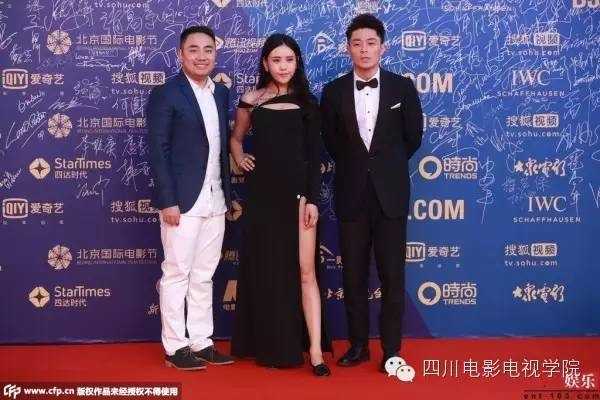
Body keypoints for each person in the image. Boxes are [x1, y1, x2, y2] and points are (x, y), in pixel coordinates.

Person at [320, 14, 423, 372]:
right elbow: (331, 141)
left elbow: (413, 138)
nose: (364, 49)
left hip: (390, 196)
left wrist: (384, 167)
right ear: (348, 48)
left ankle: (392, 349)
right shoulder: (333, 91)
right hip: (352, 194)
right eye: (357, 43)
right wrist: (358, 166)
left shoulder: (402, 88)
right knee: (353, 275)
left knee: (392, 276)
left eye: (371, 43)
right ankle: (358, 345)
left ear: (383, 47)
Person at [230, 33, 331, 377]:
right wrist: (239, 156)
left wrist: (313, 200)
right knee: (268, 269)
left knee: (305, 271)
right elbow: (236, 138)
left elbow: (314, 157)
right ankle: (271, 345)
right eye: (276, 60)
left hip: (299, 198)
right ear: (265, 63)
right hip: (262, 197)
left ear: (297, 62)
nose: (283, 66)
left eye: (289, 60)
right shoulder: (251, 100)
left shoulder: (308, 102)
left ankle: (315, 351)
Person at [147, 25, 234, 370]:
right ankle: (175, 346)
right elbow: (158, 150)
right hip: (181, 201)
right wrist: (168, 200)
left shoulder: (220, 93)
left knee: (204, 274)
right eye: (193, 49)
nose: (201, 56)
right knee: (176, 273)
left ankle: (201, 341)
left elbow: (219, 148)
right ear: (180, 54)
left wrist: (227, 194)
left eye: (208, 50)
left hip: (215, 198)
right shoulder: (166, 93)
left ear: (215, 53)